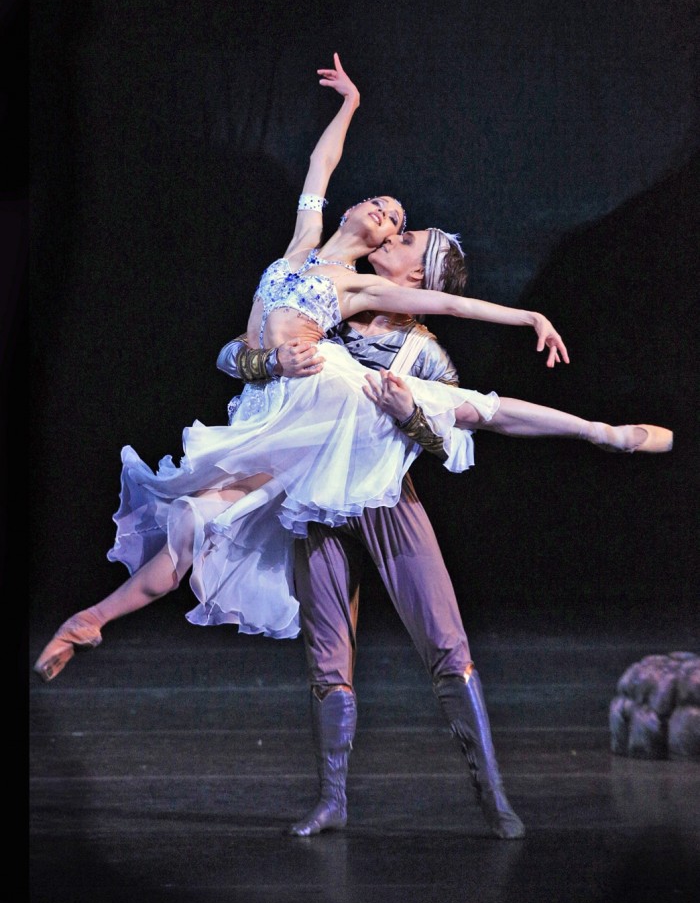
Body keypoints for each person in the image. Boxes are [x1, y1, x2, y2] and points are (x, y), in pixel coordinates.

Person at [33, 54, 672, 685]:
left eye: (394, 219)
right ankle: (92, 619)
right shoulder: (302, 241)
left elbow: (452, 304)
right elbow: (321, 165)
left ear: (387, 246)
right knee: (195, 518)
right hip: (270, 407)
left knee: (470, 407)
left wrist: (529, 316)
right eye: (380, 205)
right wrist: (350, 104)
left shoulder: (358, 286)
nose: (384, 214)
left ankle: (602, 432)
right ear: (349, 214)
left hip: (324, 392)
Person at [219, 247, 527, 840]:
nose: (390, 242)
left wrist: (410, 414)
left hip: (385, 497)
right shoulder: (328, 310)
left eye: (407, 242)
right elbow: (233, 354)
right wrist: (272, 361)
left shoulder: (423, 352)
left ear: (418, 278)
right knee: (326, 652)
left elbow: (451, 437)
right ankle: (331, 798)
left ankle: (493, 796)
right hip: (317, 494)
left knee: (444, 638)